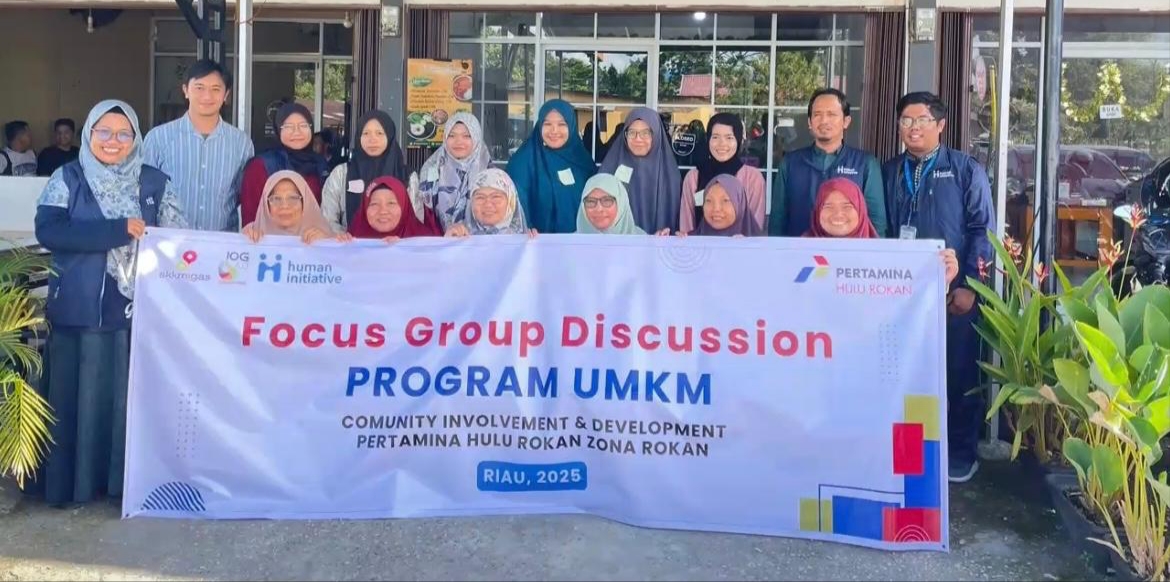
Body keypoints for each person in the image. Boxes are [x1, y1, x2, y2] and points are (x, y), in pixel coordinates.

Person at [33, 99, 186, 507]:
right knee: (79, 398)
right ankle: (76, 483)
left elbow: (179, 240)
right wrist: (116, 231)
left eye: (123, 134)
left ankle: (123, 485)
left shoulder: (154, 182)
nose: (113, 141)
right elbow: (50, 231)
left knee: (128, 398)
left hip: (139, 312)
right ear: (88, 134)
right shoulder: (69, 177)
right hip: (80, 310)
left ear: (136, 138)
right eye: (103, 132)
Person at [882, 91, 994, 484]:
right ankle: (908, 453)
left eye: (922, 120)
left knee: (958, 373)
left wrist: (971, 286)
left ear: (941, 125)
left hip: (953, 294)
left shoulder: (965, 170)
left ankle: (960, 454)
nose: (913, 128)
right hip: (900, 297)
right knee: (904, 374)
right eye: (906, 120)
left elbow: (982, 230)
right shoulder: (889, 170)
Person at [143, 59, 255, 232]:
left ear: (226, 95)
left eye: (215, 89)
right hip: (169, 242)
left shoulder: (241, 143)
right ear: (186, 90)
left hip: (222, 243)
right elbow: (144, 192)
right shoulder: (158, 138)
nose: (207, 96)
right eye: (199, 88)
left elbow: (246, 195)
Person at [768, 88, 886, 237]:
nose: (824, 121)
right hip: (800, 249)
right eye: (817, 114)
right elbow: (777, 220)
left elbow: (876, 223)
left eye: (831, 114)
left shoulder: (865, 164)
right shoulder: (790, 163)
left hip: (851, 250)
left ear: (846, 121)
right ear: (810, 122)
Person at [805, 177, 959, 285]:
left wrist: (940, 278)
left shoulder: (884, 261)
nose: (838, 214)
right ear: (817, 211)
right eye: (828, 206)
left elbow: (909, 298)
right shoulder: (798, 255)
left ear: (861, 210)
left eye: (847, 206)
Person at [507, 99, 596, 234]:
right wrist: (525, 228)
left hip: (579, 241)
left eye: (562, 124)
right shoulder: (523, 161)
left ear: (571, 126)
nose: (554, 131)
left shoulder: (582, 160)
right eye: (547, 124)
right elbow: (514, 202)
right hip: (536, 241)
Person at [239, 103, 327, 227]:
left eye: (303, 125)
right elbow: (251, 220)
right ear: (278, 130)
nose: (297, 132)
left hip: (313, 237)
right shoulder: (261, 166)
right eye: (288, 126)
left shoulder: (320, 164)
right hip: (272, 238)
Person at [679, 113, 766, 234]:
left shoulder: (752, 178)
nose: (722, 143)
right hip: (701, 245)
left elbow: (755, 226)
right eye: (715, 137)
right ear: (708, 139)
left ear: (738, 140)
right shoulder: (694, 177)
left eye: (729, 138)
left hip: (740, 245)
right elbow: (686, 226)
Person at [598, 107, 681, 234]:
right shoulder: (610, 169)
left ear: (656, 135)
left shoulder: (670, 176)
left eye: (645, 133)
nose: (638, 139)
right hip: (618, 243)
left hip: (658, 244)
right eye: (632, 132)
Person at [321, 110, 407, 232]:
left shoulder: (406, 175)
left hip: (396, 243)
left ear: (389, 136)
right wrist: (343, 237)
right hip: (350, 243)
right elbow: (327, 220)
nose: (372, 139)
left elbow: (414, 220)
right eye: (366, 133)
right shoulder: (341, 174)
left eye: (379, 133)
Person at [418, 113, 492, 233]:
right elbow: (422, 215)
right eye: (452, 135)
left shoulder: (490, 174)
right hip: (437, 241)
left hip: (479, 242)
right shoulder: (431, 169)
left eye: (466, 136)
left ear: (476, 137)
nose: (459, 141)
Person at [242, 170, 339, 244]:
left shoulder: (326, 237)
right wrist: (245, 241)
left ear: (305, 203)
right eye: (276, 199)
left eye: (293, 198)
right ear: (266, 205)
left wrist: (326, 243)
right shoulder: (251, 232)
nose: (284, 206)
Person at [444, 169, 535, 237]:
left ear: (511, 202)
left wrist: (534, 245)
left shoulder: (526, 241)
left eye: (496, 197)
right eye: (480, 197)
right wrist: (448, 242)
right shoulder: (459, 236)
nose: (488, 204)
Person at [347, 176, 441, 242]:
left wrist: (403, 248)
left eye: (391, 203)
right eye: (374, 204)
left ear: (404, 208)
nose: (383, 211)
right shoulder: (351, 240)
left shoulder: (426, 242)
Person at [683, 174, 761, 237]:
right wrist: (678, 241)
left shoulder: (762, 246)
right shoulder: (690, 241)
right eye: (709, 201)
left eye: (725, 200)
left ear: (740, 205)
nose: (716, 209)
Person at [576, 173, 650, 235]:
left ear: (621, 204)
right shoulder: (571, 243)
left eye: (607, 201)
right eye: (591, 201)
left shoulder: (643, 242)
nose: (599, 209)